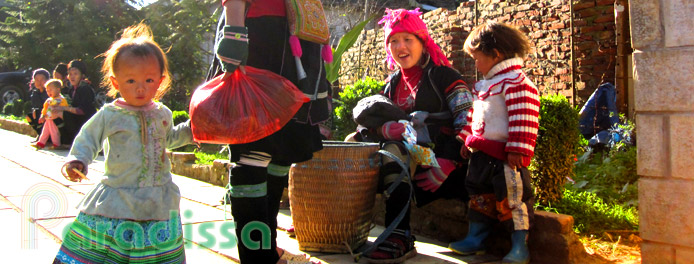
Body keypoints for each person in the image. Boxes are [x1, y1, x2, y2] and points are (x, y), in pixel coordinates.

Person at [53, 23, 193, 264]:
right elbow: (88, 137)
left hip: (157, 201)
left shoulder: (163, 114)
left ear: (159, 81)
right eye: (130, 81)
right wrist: (78, 159)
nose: (140, 87)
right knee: (107, 251)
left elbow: (169, 139)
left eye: (148, 80)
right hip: (118, 201)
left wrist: (193, 129)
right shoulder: (110, 114)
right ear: (116, 82)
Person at [207, 0, 331, 263]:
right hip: (259, 38)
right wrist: (234, 32)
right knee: (252, 153)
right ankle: (256, 256)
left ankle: (266, 247)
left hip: (297, 40)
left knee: (280, 156)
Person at [349, 8, 474, 264]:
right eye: (393, 40)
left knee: (395, 148)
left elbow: (471, 122)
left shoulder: (445, 77)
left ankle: (400, 235)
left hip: (443, 169)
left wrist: (450, 163)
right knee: (352, 142)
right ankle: (341, 221)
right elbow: (370, 124)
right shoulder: (392, 82)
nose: (400, 46)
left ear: (422, 41)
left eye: (408, 39)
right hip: (406, 164)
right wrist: (383, 129)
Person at [448, 21, 539, 264]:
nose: (475, 65)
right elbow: (475, 116)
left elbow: (524, 117)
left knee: (513, 200)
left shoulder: (516, 82)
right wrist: (467, 139)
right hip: (481, 156)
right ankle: (476, 237)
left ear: (495, 55)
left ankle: (520, 245)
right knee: (479, 197)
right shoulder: (486, 85)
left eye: (477, 58)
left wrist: (518, 149)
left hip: (504, 158)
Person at [58, 59, 97, 145]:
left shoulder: (85, 89)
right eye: (70, 74)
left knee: (65, 114)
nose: (72, 77)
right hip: (77, 119)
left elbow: (82, 110)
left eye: (75, 74)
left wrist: (65, 108)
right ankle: (64, 141)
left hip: (86, 122)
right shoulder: (72, 89)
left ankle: (77, 142)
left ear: (82, 75)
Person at [32, 79, 68, 150]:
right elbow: (44, 109)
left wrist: (56, 105)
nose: (49, 92)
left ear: (58, 89)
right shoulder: (48, 100)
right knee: (45, 131)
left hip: (55, 119)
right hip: (48, 118)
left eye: (50, 90)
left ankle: (56, 144)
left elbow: (64, 106)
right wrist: (42, 116)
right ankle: (41, 143)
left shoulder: (61, 99)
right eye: (47, 90)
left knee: (54, 132)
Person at [26, 68, 50, 138]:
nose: (39, 82)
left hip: (47, 113)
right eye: (37, 80)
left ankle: (44, 137)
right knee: (29, 116)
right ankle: (40, 134)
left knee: (37, 113)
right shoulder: (35, 93)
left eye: (42, 79)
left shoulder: (49, 92)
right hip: (38, 114)